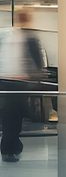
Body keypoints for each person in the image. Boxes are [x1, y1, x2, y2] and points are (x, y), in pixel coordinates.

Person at [0, 9, 44, 162]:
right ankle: (10, 148)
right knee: (13, 117)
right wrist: (36, 77)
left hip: (9, 82)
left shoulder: (8, 35)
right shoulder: (28, 37)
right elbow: (37, 60)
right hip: (16, 83)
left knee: (10, 116)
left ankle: (10, 148)